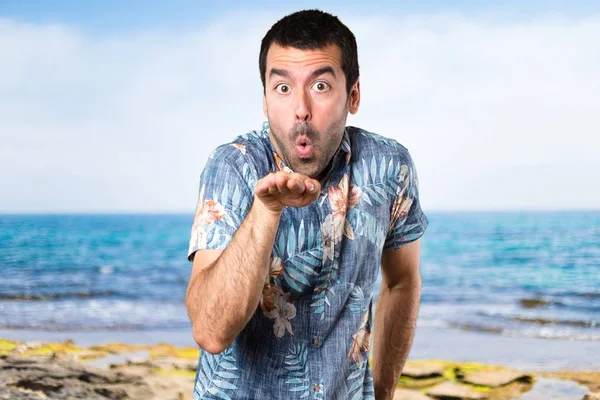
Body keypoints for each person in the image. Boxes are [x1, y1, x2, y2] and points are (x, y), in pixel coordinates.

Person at [185, 9, 428, 400]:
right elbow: (211, 332)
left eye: (319, 86)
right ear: (265, 100)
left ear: (353, 96)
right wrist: (266, 211)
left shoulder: (389, 167)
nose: (300, 109)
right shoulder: (232, 167)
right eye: (282, 88)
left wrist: (382, 392)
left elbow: (402, 281)